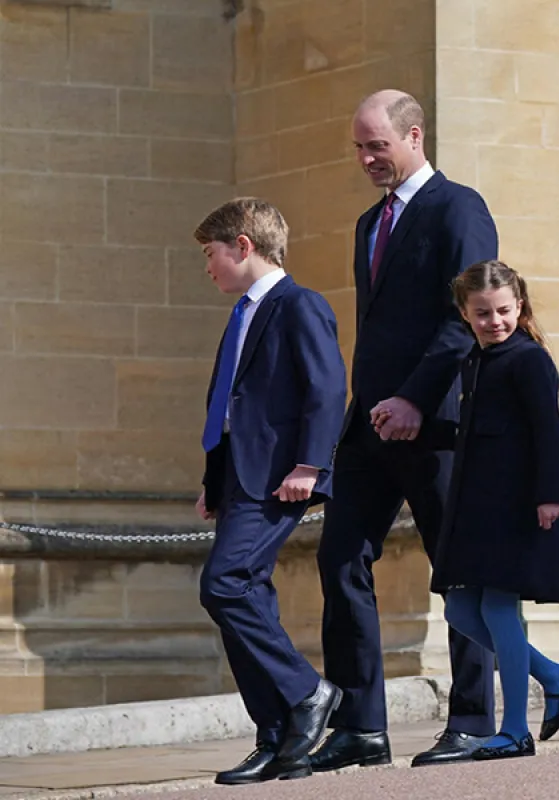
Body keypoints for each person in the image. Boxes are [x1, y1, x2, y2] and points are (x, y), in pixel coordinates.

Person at [311, 90, 501, 770]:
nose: (366, 159)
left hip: (439, 422)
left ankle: (473, 723)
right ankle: (361, 728)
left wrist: (416, 397)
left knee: (461, 573)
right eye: (359, 148)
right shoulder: (369, 223)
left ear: (414, 137)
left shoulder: (459, 208)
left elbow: (467, 317)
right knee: (339, 559)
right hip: (370, 426)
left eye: (377, 146)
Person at [192, 198, 347, 785]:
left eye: (211, 253)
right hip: (239, 476)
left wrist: (310, 464)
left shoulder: (299, 304)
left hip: (279, 477)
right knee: (248, 594)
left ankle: (308, 692)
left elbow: (326, 389)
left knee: (223, 583)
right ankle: (279, 739)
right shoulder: (242, 313)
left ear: (243, 245)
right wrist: (213, 483)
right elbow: (230, 404)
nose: (208, 266)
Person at [427, 259, 559, 760]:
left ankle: (516, 729)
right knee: (459, 610)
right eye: (482, 313)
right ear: (464, 313)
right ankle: (552, 675)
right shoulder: (474, 360)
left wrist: (551, 495)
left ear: (519, 306)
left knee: (498, 609)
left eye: (503, 311)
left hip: (518, 504)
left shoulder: (529, 359)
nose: (494, 321)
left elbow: (548, 430)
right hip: (476, 505)